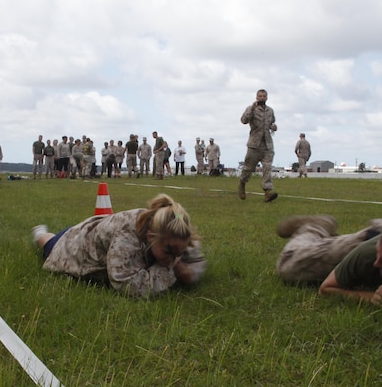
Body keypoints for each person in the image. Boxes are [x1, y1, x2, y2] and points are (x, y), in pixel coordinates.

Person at [31, 193, 206, 298]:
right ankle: (39, 231)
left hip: (94, 230)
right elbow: (127, 285)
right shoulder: (126, 237)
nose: (174, 258)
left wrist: (189, 271)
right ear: (150, 236)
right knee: (47, 242)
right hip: (72, 246)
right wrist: (172, 271)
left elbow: (196, 260)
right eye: (168, 251)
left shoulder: (176, 230)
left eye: (179, 253)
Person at [239, 89, 278, 201]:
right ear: (256, 97)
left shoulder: (270, 111)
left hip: (267, 144)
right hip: (254, 144)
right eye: (260, 96)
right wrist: (252, 108)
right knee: (248, 168)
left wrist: (273, 127)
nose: (262, 98)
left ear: (267, 97)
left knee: (267, 167)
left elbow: (272, 123)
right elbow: (244, 120)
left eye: (264, 96)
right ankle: (242, 183)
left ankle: (267, 192)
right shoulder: (251, 109)